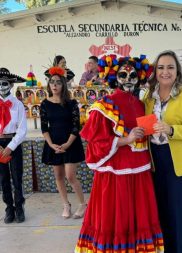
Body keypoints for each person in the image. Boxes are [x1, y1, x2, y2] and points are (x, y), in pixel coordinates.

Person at [74, 54, 163, 253]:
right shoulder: (105, 105)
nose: (128, 79)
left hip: (140, 172)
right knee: (115, 216)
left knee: (137, 215)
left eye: (133, 75)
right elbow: (95, 144)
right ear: (115, 77)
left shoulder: (141, 105)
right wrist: (126, 140)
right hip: (114, 174)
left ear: (139, 78)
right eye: (123, 75)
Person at [143, 50, 182, 253]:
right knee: (161, 213)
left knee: (178, 214)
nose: (165, 71)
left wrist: (171, 129)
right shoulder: (148, 96)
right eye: (161, 67)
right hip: (155, 160)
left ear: (177, 71)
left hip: (180, 162)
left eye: (170, 67)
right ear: (155, 71)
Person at [40, 66, 86, 219]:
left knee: (70, 176)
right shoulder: (45, 104)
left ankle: (82, 204)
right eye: (52, 82)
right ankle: (66, 204)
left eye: (58, 82)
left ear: (63, 85)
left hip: (70, 143)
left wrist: (67, 144)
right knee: (58, 175)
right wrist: (51, 144)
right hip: (53, 144)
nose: (54, 85)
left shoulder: (71, 103)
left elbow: (76, 126)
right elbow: (44, 127)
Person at [0, 68, 27, 223]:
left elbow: (22, 129)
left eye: (4, 83)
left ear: (10, 85)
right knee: (3, 178)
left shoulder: (18, 104)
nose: (1, 87)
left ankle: (19, 206)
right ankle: (9, 208)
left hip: (13, 144)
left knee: (17, 177)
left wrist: (11, 146)